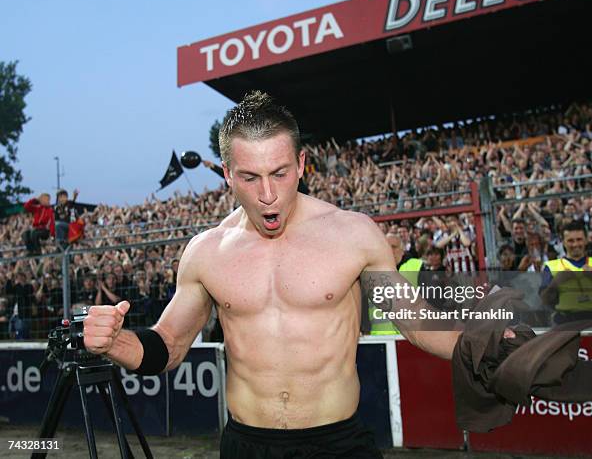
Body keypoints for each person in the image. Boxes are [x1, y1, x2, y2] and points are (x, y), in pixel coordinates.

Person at [83, 91, 513, 458]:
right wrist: (117, 343)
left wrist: (489, 343)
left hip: (339, 443)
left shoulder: (353, 234)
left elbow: (416, 324)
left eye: (280, 173)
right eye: (250, 178)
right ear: (228, 174)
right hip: (246, 444)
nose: (268, 195)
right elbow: (171, 345)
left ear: (302, 164)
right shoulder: (206, 251)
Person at [540, 221, 592, 325]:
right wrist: (555, 282)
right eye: (570, 240)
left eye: (579, 239)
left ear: (586, 240)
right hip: (565, 323)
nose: (575, 244)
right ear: (563, 242)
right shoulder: (551, 267)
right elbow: (544, 301)